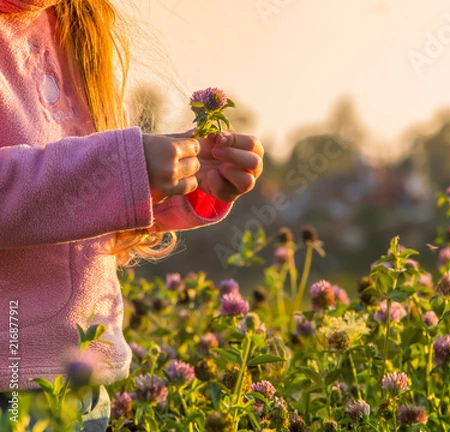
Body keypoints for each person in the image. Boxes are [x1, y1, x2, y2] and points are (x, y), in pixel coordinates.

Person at [0, 0, 264, 429]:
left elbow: (83, 217)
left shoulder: (73, 24)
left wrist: (181, 184)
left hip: (87, 388)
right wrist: (120, 170)